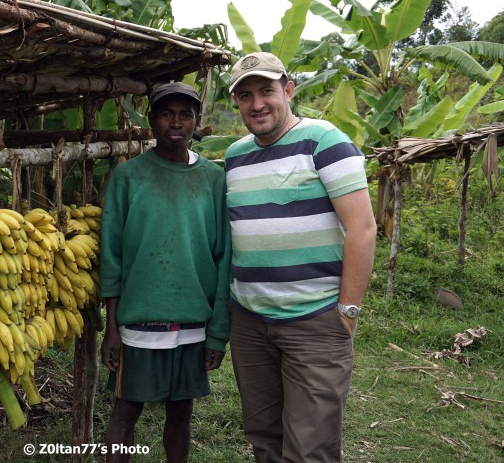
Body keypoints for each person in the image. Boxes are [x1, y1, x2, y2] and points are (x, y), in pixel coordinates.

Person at [224, 52, 377, 462]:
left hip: (315, 321)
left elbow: (362, 228)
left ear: (288, 90)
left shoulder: (325, 140)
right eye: (245, 95)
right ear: (236, 102)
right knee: (264, 438)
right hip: (250, 322)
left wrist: (347, 310)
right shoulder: (235, 156)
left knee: (311, 447)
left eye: (266, 91)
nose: (257, 104)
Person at [100, 82, 231, 463]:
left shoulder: (213, 178)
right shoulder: (128, 177)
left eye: (185, 115)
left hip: (192, 323)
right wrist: (111, 328)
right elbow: (112, 254)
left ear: (197, 121)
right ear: (151, 120)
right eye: (166, 114)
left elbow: (223, 257)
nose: (176, 123)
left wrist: (217, 333)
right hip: (139, 323)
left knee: (181, 411)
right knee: (126, 410)